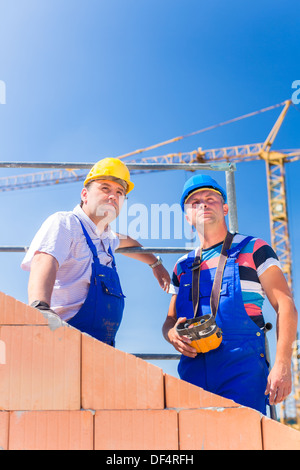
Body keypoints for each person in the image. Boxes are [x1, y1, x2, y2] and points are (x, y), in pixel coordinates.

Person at [162, 174, 298, 415]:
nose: (203, 204)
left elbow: (285, 305)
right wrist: (171, 334)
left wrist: (282, 364)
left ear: (225, 208)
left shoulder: (254, 248)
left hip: (242, 371)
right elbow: (169, 320)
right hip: (193, 372)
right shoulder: (181, 266)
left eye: (210, 198)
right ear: (187, 216)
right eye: (195, 202)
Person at [22, 157, 170, 346]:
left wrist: (155, 264)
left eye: (120, 192)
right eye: (105, 188)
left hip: (101, 347)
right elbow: (44, 260)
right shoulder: (66, 223)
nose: (113, 196)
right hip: (62, 338)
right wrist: (40, 308)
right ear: (85, 194)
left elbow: (128, 242)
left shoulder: (107, 238)